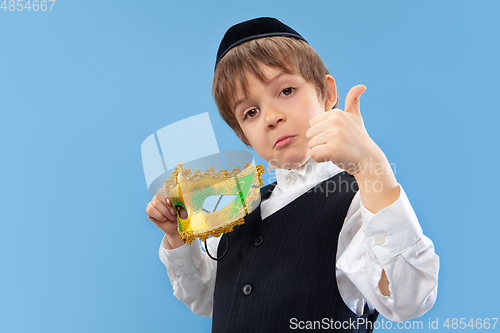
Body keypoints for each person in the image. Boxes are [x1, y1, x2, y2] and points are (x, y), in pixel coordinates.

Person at [146, 17, 439, 332]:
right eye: (251, 112)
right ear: (243, 134)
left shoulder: (359, 204)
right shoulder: (238, 204)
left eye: (286, 90)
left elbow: (410, 298)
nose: (271, 117)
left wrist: (370, 164)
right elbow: (208, 299)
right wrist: (178, 238)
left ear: (327, 94)